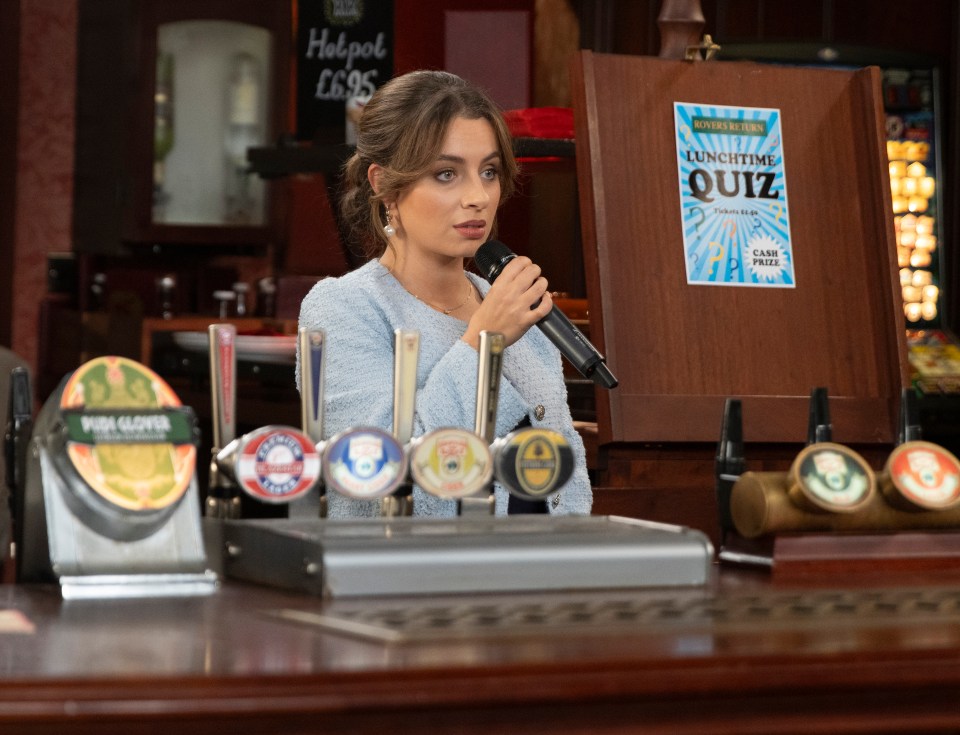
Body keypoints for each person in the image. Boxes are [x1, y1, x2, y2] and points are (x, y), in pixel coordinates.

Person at [298, 69, 592, 518]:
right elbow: (379, 486)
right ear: (382, 184)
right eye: (446, 173)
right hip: (420, 578)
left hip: (541, 573)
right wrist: (484, 341)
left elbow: (561, 480)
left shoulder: (516, 310)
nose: (478, 196)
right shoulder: (344, 308)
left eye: (489, 172)